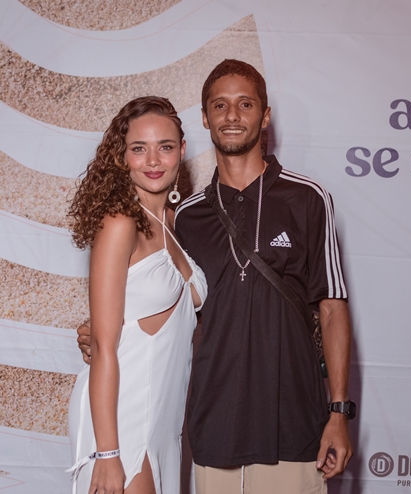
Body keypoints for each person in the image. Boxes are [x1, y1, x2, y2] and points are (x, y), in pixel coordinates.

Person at [80, 60, 354, 494]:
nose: (232, 115)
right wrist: (103, 333)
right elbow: (155, 301)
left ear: (265, 116)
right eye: (220, 105)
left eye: (245, 104)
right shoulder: (185, 217)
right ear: (206, 118)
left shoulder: (307, 198)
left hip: (293, 422)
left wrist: (339, 412)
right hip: (213, 424)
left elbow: (333, 308)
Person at [67, 96, 207, 494]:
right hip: (121, 418)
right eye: (139, 149)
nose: (153, 160)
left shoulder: (172, 222)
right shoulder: (120, 222)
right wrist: (108, 454)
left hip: (164, 417)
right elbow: (103, 345)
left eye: (165, 146)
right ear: (122, 156)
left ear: (182, 150)